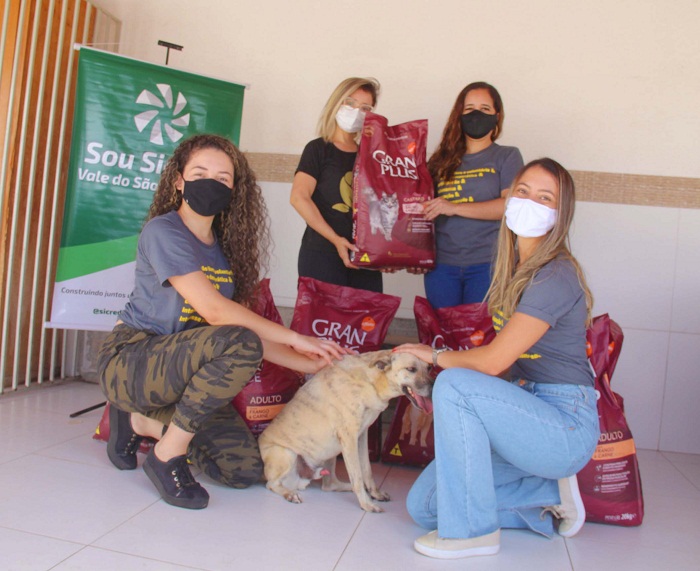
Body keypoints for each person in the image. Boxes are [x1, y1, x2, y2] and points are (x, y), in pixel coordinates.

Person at [97, 134, 348, 510]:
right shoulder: (163, 231)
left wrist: (311, 363)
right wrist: (297, 337)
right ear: (178, 181)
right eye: (199, 174)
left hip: (182, 376)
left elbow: (242, 334)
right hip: (132, 360)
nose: (210, 183)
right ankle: (166, 455)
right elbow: (216, 314)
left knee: (243, 469)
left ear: (233, 190)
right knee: (238, 341)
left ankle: (138, 422)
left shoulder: (225, 252)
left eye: (222, 178)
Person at [395, 158, 600, 559]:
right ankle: (547, 494)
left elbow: (492, 362)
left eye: (545, 198)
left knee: (454, 383)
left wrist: (434, 356)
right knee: (425, 507)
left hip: (563, 424)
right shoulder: (514, 267)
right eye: (522, 192)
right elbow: (501, 369)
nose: (530, 202)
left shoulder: (555, 274)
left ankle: (472, 532)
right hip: (524, 413)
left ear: (560, 215)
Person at [420, 81, 524, 307]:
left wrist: (454, 208)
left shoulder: (507, 156)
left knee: (478, 329)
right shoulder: (439, 161)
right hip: (441, 266)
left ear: (497, 115)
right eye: (469, 109)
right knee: (441, 328)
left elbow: (509, 207)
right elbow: (422, 209)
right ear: (459, 115)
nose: (477, 115)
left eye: (485, 109)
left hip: (488, 265)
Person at [290, 77, 385, 293]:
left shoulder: (372, 155)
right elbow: (299, 197)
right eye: (350, 103)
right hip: (322, 254)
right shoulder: (318, 149)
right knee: (321, 314)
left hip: (364, 258)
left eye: (365, 108)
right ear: (336, 102)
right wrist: (336, 240)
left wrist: (387, 251)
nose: (356, 111)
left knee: (366, 315)